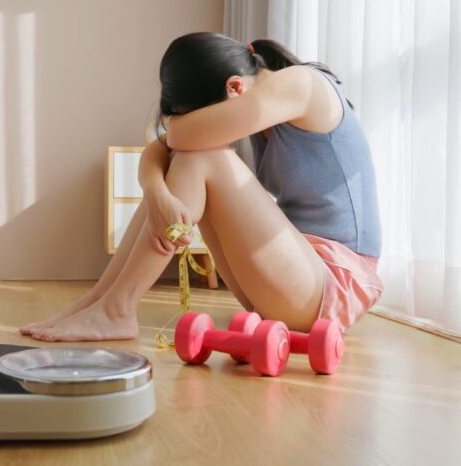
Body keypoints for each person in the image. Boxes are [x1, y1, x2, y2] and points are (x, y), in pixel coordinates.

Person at [20, 32, 383, 342]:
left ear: (235, 87)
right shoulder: (260, 102)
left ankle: (118, 309)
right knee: (188, 157)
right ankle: (100, 303)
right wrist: (156, 192)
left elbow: (175, 137)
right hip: (295, 279)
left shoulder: (300, 85)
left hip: (336, 284)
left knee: (199, 157)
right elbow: (161, 147)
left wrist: (171, 155)